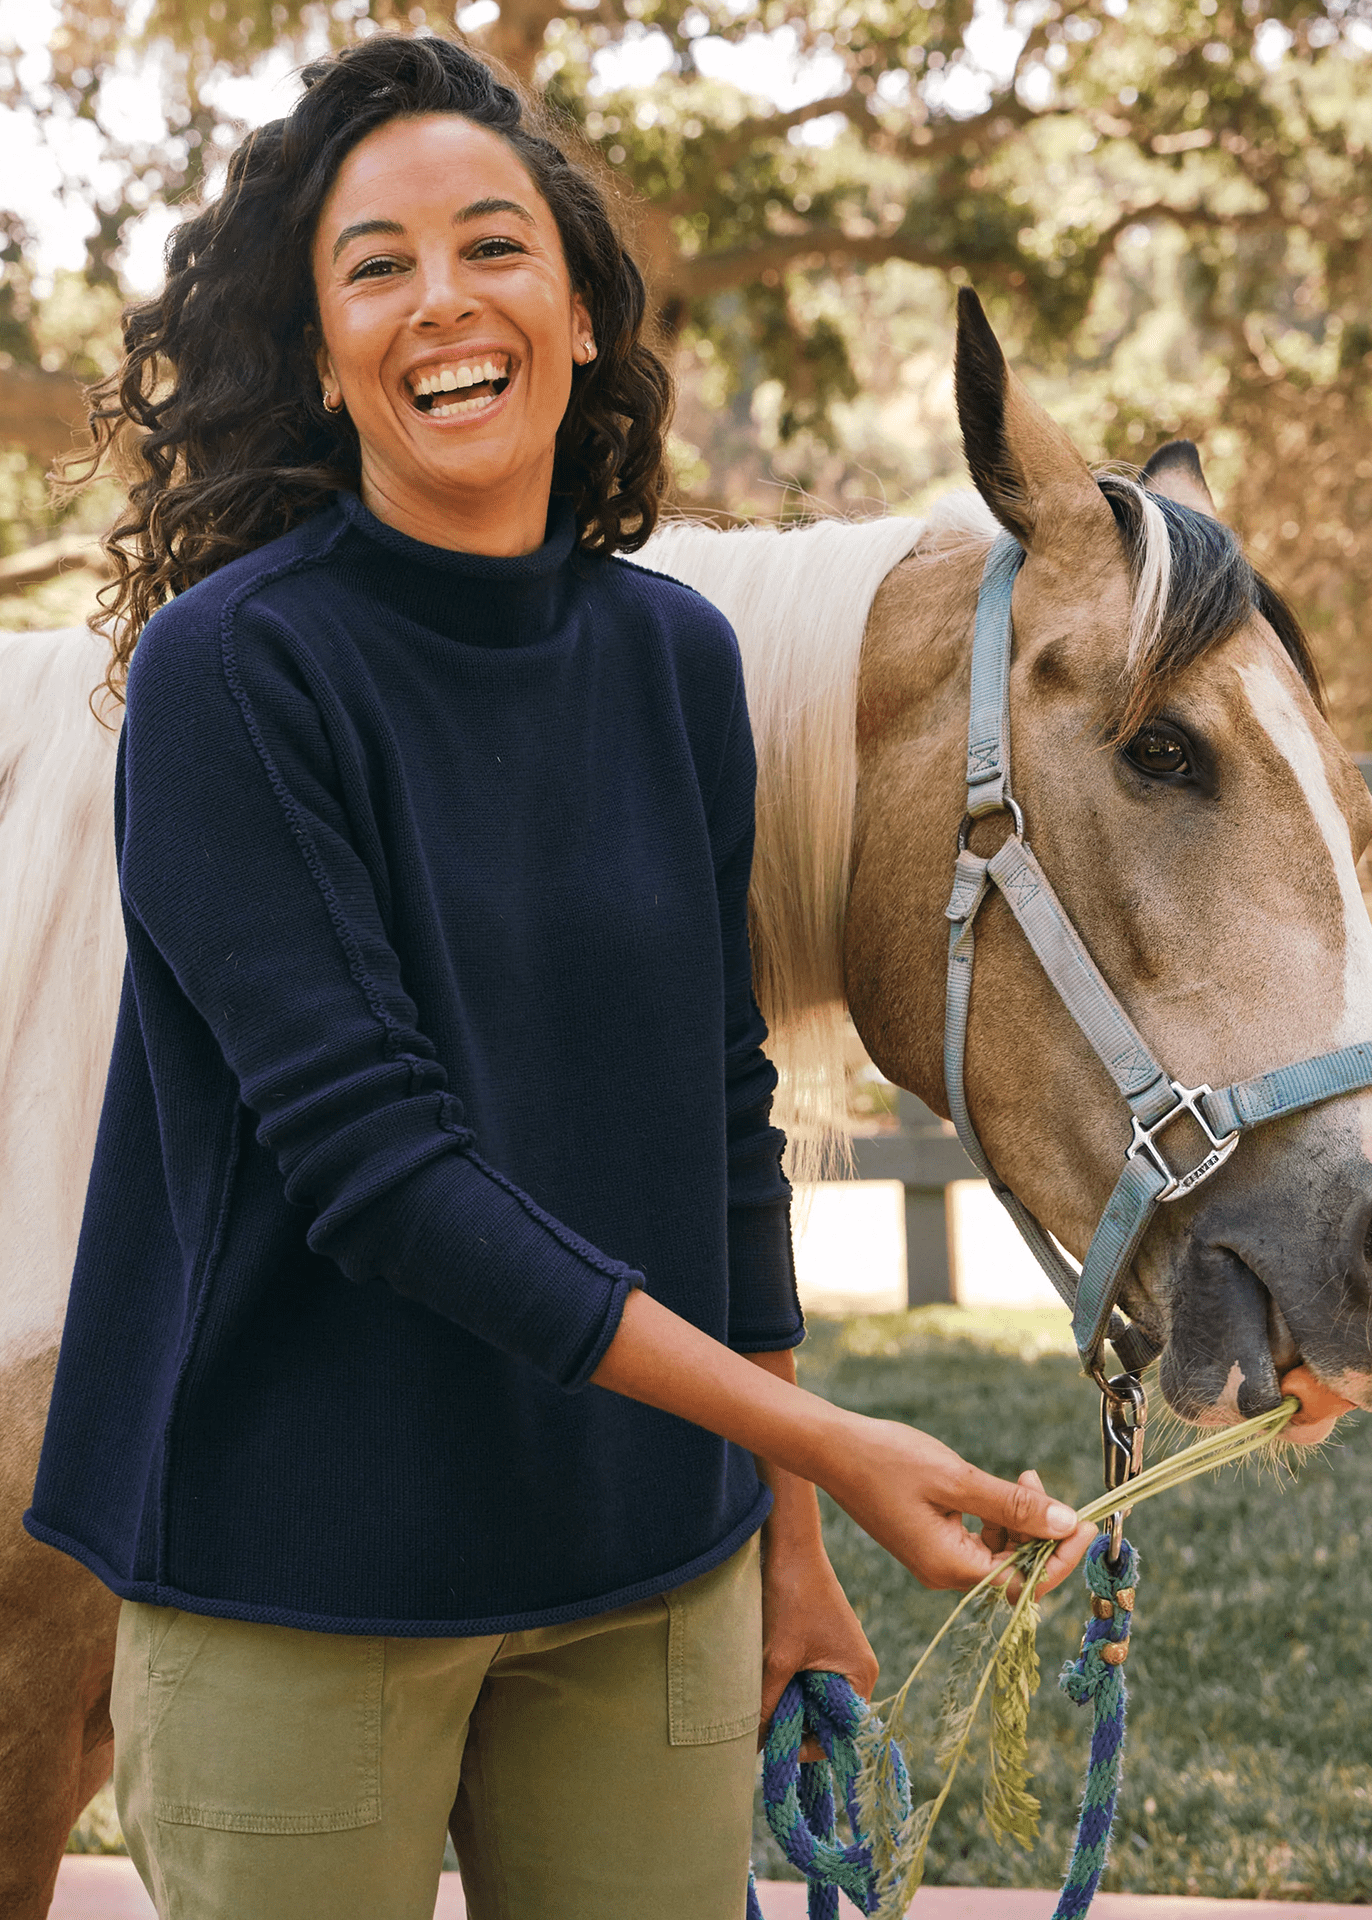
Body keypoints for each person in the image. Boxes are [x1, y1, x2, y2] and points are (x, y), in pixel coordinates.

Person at [26, 33, 1095, 1919]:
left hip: (647, 1570)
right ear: (325, 339)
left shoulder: (675, 662)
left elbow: (718, 1109)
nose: (442, 297)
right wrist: (828, 1445)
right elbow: (378, 1172)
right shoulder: (226, 679)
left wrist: (778, 1535)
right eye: (376, 264)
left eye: (494, 244)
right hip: (296, 1566)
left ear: (584, 310)